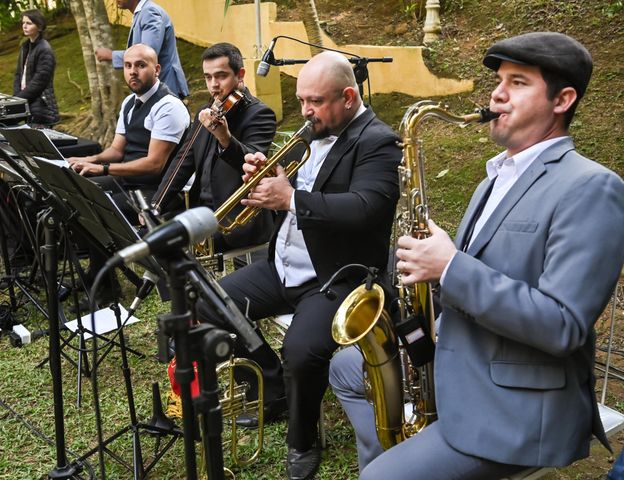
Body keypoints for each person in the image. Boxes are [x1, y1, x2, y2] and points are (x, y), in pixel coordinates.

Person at [330, 32, 624, 480]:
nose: (497, 93)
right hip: (464, 358)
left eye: (519, 82)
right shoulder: (494, 178)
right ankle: (390, 453)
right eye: (499, 80)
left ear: (563, 99)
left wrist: (449, 266)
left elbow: (562, 325)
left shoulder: (591, 187)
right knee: (347, 367)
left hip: (518, 409)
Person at [197, 51, 400, 480]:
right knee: (210, 301)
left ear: (348, 97)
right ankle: (273, 389)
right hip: (284, 267)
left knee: (302, 353)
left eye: (315, 101)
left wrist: (290, 198)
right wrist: (245, 160)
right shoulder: (314, 130)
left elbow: (367, 208)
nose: (305, 112)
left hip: (337, 276)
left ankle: (302, 439)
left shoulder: (377, 140)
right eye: (302, 100)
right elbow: (279, 174)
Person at [68, 43, 189, 304]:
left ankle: (108, 289)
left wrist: (102, 169)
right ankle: (98, 272)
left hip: (155, 191)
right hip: (128, 181)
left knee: (96, 203)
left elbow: (154, 165)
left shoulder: (169, 106)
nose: (133, 72)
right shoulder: (129, 103)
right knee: (76, 189)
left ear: (156, 69)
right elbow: (116, 149)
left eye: (141, 65)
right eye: (128, 65)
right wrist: (89, 160)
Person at [150, 42, 276, 253]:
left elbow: (254, 165)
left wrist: (225, 138)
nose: (214, 85)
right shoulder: (207, 111)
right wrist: (157, 204)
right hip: (202, 212)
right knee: (151, 237)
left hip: (237, 219)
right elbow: (183, 162)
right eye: (208, 77)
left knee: (171, 247)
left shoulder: (259, 114)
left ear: (240, 74)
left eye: (221, 76)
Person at [95, 0, 189, 99]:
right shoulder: (142, 13)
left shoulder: (150, 13)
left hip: (165, 86)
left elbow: (146, 54)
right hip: (153, 90)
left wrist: (111, 55)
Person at [13, 9, 60, 126]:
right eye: (23, 23)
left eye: (29, 23)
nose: (24, 26)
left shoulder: (45, 49)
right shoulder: (25, 47)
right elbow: (18, 74)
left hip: (41, 106)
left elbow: (39, 82)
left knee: (39, 143)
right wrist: (16, 99)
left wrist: (18, 100)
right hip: (26, 103)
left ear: (39, 26)